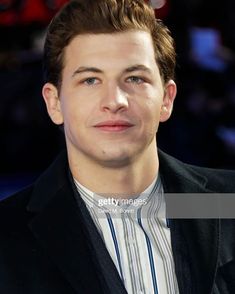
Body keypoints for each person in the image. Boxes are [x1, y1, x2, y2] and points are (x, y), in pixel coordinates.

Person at [0, 0, 235, 293]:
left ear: (167, 99)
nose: (115, 100)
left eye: (134, 78)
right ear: (54, 102)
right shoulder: (7, 236)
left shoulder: (226, 204)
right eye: (90, 80)